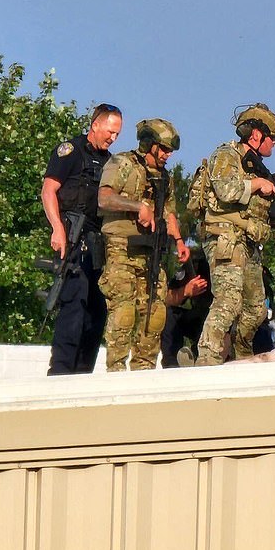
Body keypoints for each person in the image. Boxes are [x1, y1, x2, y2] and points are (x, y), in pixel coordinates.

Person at [194, 103, 275, 366]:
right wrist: (259, 184)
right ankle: (206, 363)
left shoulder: (256, 167)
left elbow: (262, 210)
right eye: (274, 138)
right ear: (256, 135)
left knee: (257, 309)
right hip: (225, 237)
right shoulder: (227, 155)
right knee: (228, 302)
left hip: (248, 242)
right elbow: (226, 191)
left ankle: (242, 357)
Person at [98, 118, 190, 371]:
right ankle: (115, 372)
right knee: (124, 313)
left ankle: (144, 374)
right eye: (164, 149)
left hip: (152, 251)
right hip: (122, 248)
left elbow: (170, 213)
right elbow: (104, 199)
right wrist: (138, 206)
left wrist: (179, 242)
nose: (168, 155)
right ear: (149, 144)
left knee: (154, 314)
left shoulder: (164, 177)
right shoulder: (122, 163)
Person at [41, 103, 123, 375]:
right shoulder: (71, 151)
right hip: (72, 237)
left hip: (98, 242)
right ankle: (61, 371)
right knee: (74, 304)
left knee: (98, 310)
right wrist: (57, 228)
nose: (112, 138)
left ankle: (83, 372)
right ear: (96, 125)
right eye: (110, 131)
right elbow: (49, 190)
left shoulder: (112, 163)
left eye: (117, 134)